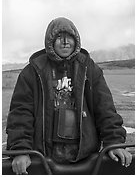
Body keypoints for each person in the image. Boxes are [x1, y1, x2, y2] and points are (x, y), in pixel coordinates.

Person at [6, 17, 132, 175]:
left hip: (85, 157)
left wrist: (114, 142)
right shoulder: (32, 72)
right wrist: (21, 150)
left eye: (69, 36)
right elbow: (21, 113)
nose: (65, 41)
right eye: (59, 37)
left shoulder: (89, 68)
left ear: (76, 39)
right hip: (44, 157)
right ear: (50, 41)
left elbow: (104, 108)